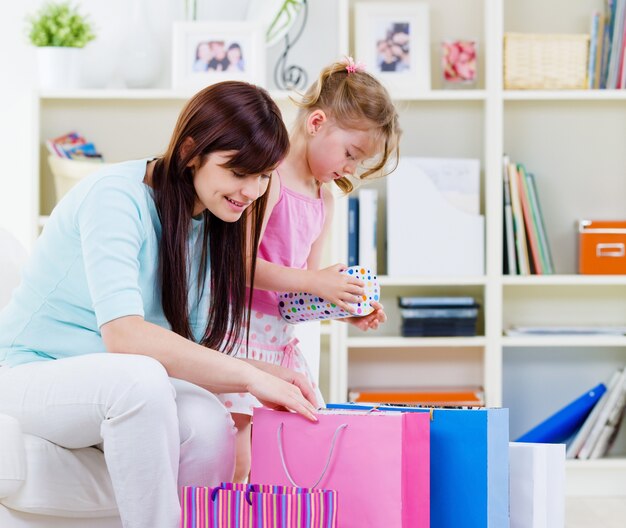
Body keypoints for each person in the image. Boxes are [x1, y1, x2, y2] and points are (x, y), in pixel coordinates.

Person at [0, 81, 318, 528]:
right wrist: (250, 376)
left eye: (264, 175)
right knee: (141, 380)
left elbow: (183, 347)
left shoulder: (210, 225)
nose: (251, 191)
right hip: (27, 372)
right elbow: (126, 337)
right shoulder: (115, 197)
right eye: (238, 171)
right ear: (191, 151)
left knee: (209, 422)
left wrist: (272, 374)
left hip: (108, 389)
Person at [217, 58, 401, 482]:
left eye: (359, 163)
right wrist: (316, 281)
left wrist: (339, 306)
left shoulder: (325, 199)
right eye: (351, 154)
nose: (350, 169)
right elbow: (238, 267)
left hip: (280, 342)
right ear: (317, 122)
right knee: (239, 457)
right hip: (239, 335)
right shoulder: (269, 178)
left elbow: (297, 299)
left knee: (291, 453)